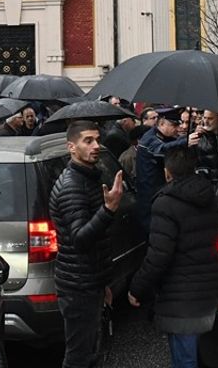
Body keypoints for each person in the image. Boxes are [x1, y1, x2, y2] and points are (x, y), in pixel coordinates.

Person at [127, 147, 218, 368]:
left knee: (184, 359)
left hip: (179, 296)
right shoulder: (212, 199)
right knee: (200, 356)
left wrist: (137, 287)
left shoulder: (165, 204)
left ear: (168, 172)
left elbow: (159, 255)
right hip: (208, 290)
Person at [49, 120, 125, 368]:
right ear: (71, 146)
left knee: (90, 352)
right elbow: (81, 239)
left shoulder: (88, 177)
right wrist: (109, 209)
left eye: (97, 140)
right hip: (78, 287)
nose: (96, 146)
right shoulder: (72, 186)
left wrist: (102, 284)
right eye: (88, 141)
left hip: (88, 282)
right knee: (79, 357)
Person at [136, 112, 188, 232]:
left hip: (159, 191)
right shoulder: (150, 138)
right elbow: (161, 149)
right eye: (173, 125)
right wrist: (185, 141)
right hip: (149, 194)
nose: (177, 129)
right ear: (161, 123)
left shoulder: (164, 136)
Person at [190, 109, 218, 180]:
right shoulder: (196, 137)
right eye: (204, 117)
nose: (206, 121)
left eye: (210, 118)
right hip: (204, 183)